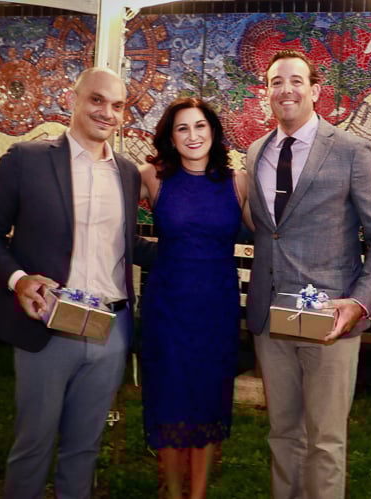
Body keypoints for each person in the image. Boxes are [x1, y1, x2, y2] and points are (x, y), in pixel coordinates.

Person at [0, 67, 156, 499]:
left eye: (117, 105)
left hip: (110, 328)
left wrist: (194, 252)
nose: (107, 113)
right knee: (33, 445)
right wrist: (18, 280)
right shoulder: (26, 159)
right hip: (47, 325)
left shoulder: (127, 173)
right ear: (73, 99)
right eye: (97, 100)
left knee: (85, 448)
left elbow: (123, 243)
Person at [245, 50, 371, 498]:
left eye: (296, 81)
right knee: (283, 434)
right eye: (276, 82)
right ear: (266, 92)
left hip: (329, 319)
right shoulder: (256, 153)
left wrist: (359, 302)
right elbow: (270, 230)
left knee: (326, 441)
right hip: (271, 317)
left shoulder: (351, 151)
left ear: (315, 90)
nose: (286, 90)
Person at [138, 97, 250, 499]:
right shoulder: (153, 177)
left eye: (200, 125)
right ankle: (171, 492)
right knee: (169, 399)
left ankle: (198, 493)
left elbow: (273, 232)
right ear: (171, 137)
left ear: (213, 132)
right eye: (182, 128)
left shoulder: (238, 182)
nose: (192, 135)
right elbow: (105, 217)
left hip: (216, 308)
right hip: (167, 307)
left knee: (206, 400)